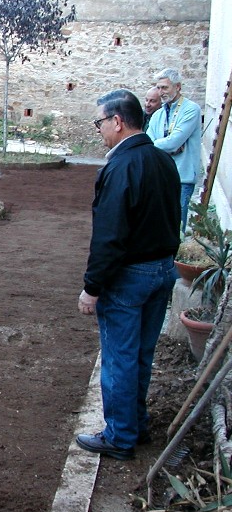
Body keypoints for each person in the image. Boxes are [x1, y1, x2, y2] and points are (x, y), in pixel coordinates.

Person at [76, 88, 180, 460]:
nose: (99, 129)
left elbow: (110, 235)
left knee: (119, 356)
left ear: (117, 122)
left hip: (130, 276)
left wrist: (92, 287)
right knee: (140, 354)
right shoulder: (163, 160)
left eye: (100, 122)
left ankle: (119, 436)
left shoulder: (119, 167)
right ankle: (137, 423)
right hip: (163, 270)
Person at [145, 68, 203, 232]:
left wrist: (162, 145)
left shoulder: (191, 109)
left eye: (165, 87)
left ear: (177, 87)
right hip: (161, 176)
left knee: (177, 227)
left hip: (182, 177)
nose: (161, 92)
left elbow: (173, 142)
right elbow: (148, 142)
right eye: (158, 87)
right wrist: (166, 146)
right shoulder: (158, 115)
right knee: (159, 224)